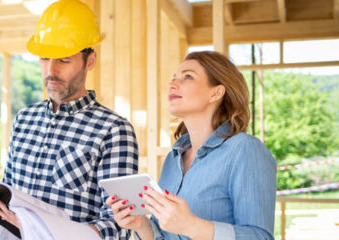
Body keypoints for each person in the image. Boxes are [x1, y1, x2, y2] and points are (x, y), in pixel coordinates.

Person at [0, 0, 139, 239]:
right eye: (44, 59)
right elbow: (5, 203)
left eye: (64, 60)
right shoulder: (25, 119)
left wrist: (40, 230)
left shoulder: (113, 130)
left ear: (90, 61)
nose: (51, 71)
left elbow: (120, 225)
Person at [106, 51, 277, 240]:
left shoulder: (245, 150)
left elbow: (261, 237)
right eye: (173, 78)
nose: (172, 84)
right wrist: (141, 224)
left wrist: (192, 226)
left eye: (188, 76)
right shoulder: (174, 158)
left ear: (216, 92)